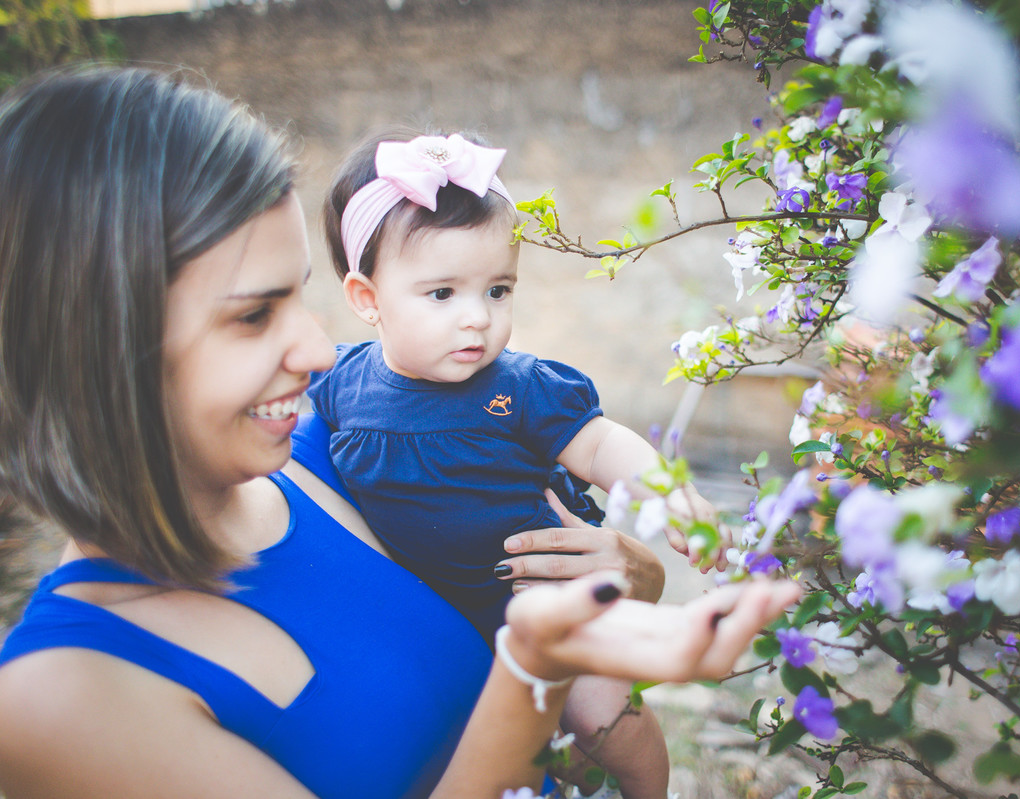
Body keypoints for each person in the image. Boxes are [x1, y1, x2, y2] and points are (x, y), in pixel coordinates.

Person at [0, 65, 800, 799]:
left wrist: (627, 575)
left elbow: (538, 548)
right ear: (95, 346)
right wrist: (535, 668)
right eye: (252, 315)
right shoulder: (58, 700)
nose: (317, 352)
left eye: (299, 300)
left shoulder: (327, 453)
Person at [311, 132, 722, 798]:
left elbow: (598, 443)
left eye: (498, 290)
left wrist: (667, 491)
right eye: (442, 293)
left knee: (601, 717)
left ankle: (651, 789)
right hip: (439, 617)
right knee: (527, 749)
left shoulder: (520, 386)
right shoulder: (340, 384)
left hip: (541, 591)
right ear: (367, 298)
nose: (478, 318)